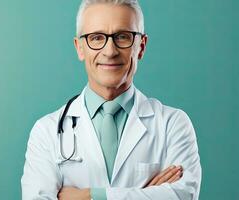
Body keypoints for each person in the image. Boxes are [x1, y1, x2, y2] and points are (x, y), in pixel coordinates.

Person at [21, 0, 201, 199]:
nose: (110, 51)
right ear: (80, 48)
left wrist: (92, 196)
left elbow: (184, 195)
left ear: (141, 46)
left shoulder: (173, 124)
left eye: (122, 37)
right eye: (96, 38)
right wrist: (145, 194)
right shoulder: (46, 132)